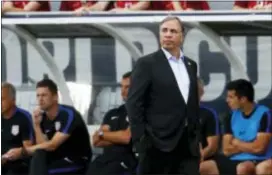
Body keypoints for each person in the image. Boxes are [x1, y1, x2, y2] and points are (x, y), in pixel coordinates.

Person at [126, 16, 200, 175]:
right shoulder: (147, 63)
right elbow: (134, 103)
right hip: (157, 143)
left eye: (173, 31)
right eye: (164, 31)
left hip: (187, 144)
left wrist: (195, 135)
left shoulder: (191, 65)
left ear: (182, 36)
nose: (168, 35)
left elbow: (191, 102)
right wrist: (140, 140)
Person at [200, 79, 272, 175]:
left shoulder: (264, 114)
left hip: (258, 159)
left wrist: (236, 142)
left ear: (243, 99)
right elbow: (226, 150)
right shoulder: (230, 116)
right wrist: (250, 143)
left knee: (244, 168)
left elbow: (259, 149)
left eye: (231, 97)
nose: (227, 100)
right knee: (202, 168)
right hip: (233, 160)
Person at [25, 79, 92, 175]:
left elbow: (52, 145)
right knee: (38, 156)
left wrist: (25, 150)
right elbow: (43, 146)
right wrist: (36, 125)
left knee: (44, 169)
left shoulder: (68, 114)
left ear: (55, 97)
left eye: (44, 95)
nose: (40, 99)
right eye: (38, 95)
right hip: (56, 158)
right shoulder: (42, 117)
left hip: (76, 160)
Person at [85, 71, 138, 175]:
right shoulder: (112, 113)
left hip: (127, 160)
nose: (123, 91)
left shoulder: (141, 111)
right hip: (105, 159)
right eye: (122, 87)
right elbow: (97, 141)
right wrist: (116, 137)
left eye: (127, 87)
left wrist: (103, 134)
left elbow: (126, 138)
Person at [1, 82, 33, 175]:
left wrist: (6, 157)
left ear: (13, 100)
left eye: (2, 99)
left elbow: (28, 148)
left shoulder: (24, 117)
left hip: (18, 165)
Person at [197, 78, 220, 161]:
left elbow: (212, 147)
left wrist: (197, 159)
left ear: (202, 92)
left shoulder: (208, 114)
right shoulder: (175, 113)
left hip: (202, 160)